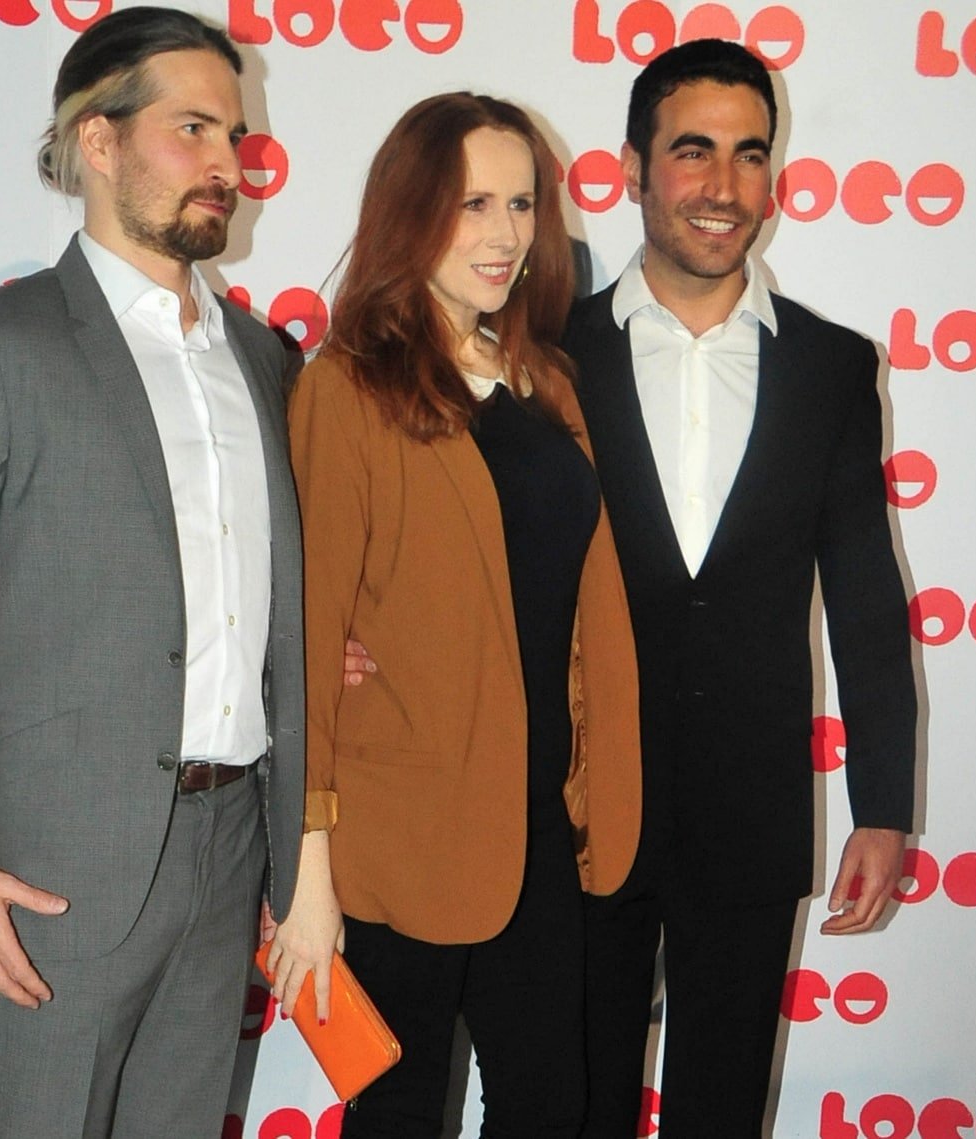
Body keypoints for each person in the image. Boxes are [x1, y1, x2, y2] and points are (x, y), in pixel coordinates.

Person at [0, 9, 304, 1137]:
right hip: (55, 869)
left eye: (232, 135)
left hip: (233, 845)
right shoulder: (0, 346)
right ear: (98, 143)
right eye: (190, 128)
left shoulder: (268, 360)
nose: (226, 166)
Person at [265, 92, 642, 1139]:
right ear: (410, 210)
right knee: (395, 1114)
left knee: (548, 1108)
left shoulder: (548, 387)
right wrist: (305, 880)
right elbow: (306, 638)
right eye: (472, 202)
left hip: (539, 836)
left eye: (521, 203)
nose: (505, 233)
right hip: (395, 846)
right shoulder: (346, 391)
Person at [561, 39, 917, 1138]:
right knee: (570, 1106)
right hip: (574, 805)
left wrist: (886, 803)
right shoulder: (547, 352)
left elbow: (864, 591)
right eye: (693, 152)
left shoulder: (830, 364)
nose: (723, 187)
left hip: (752, 811)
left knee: (723, 1111)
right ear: (632, 167)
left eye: (749, 156)